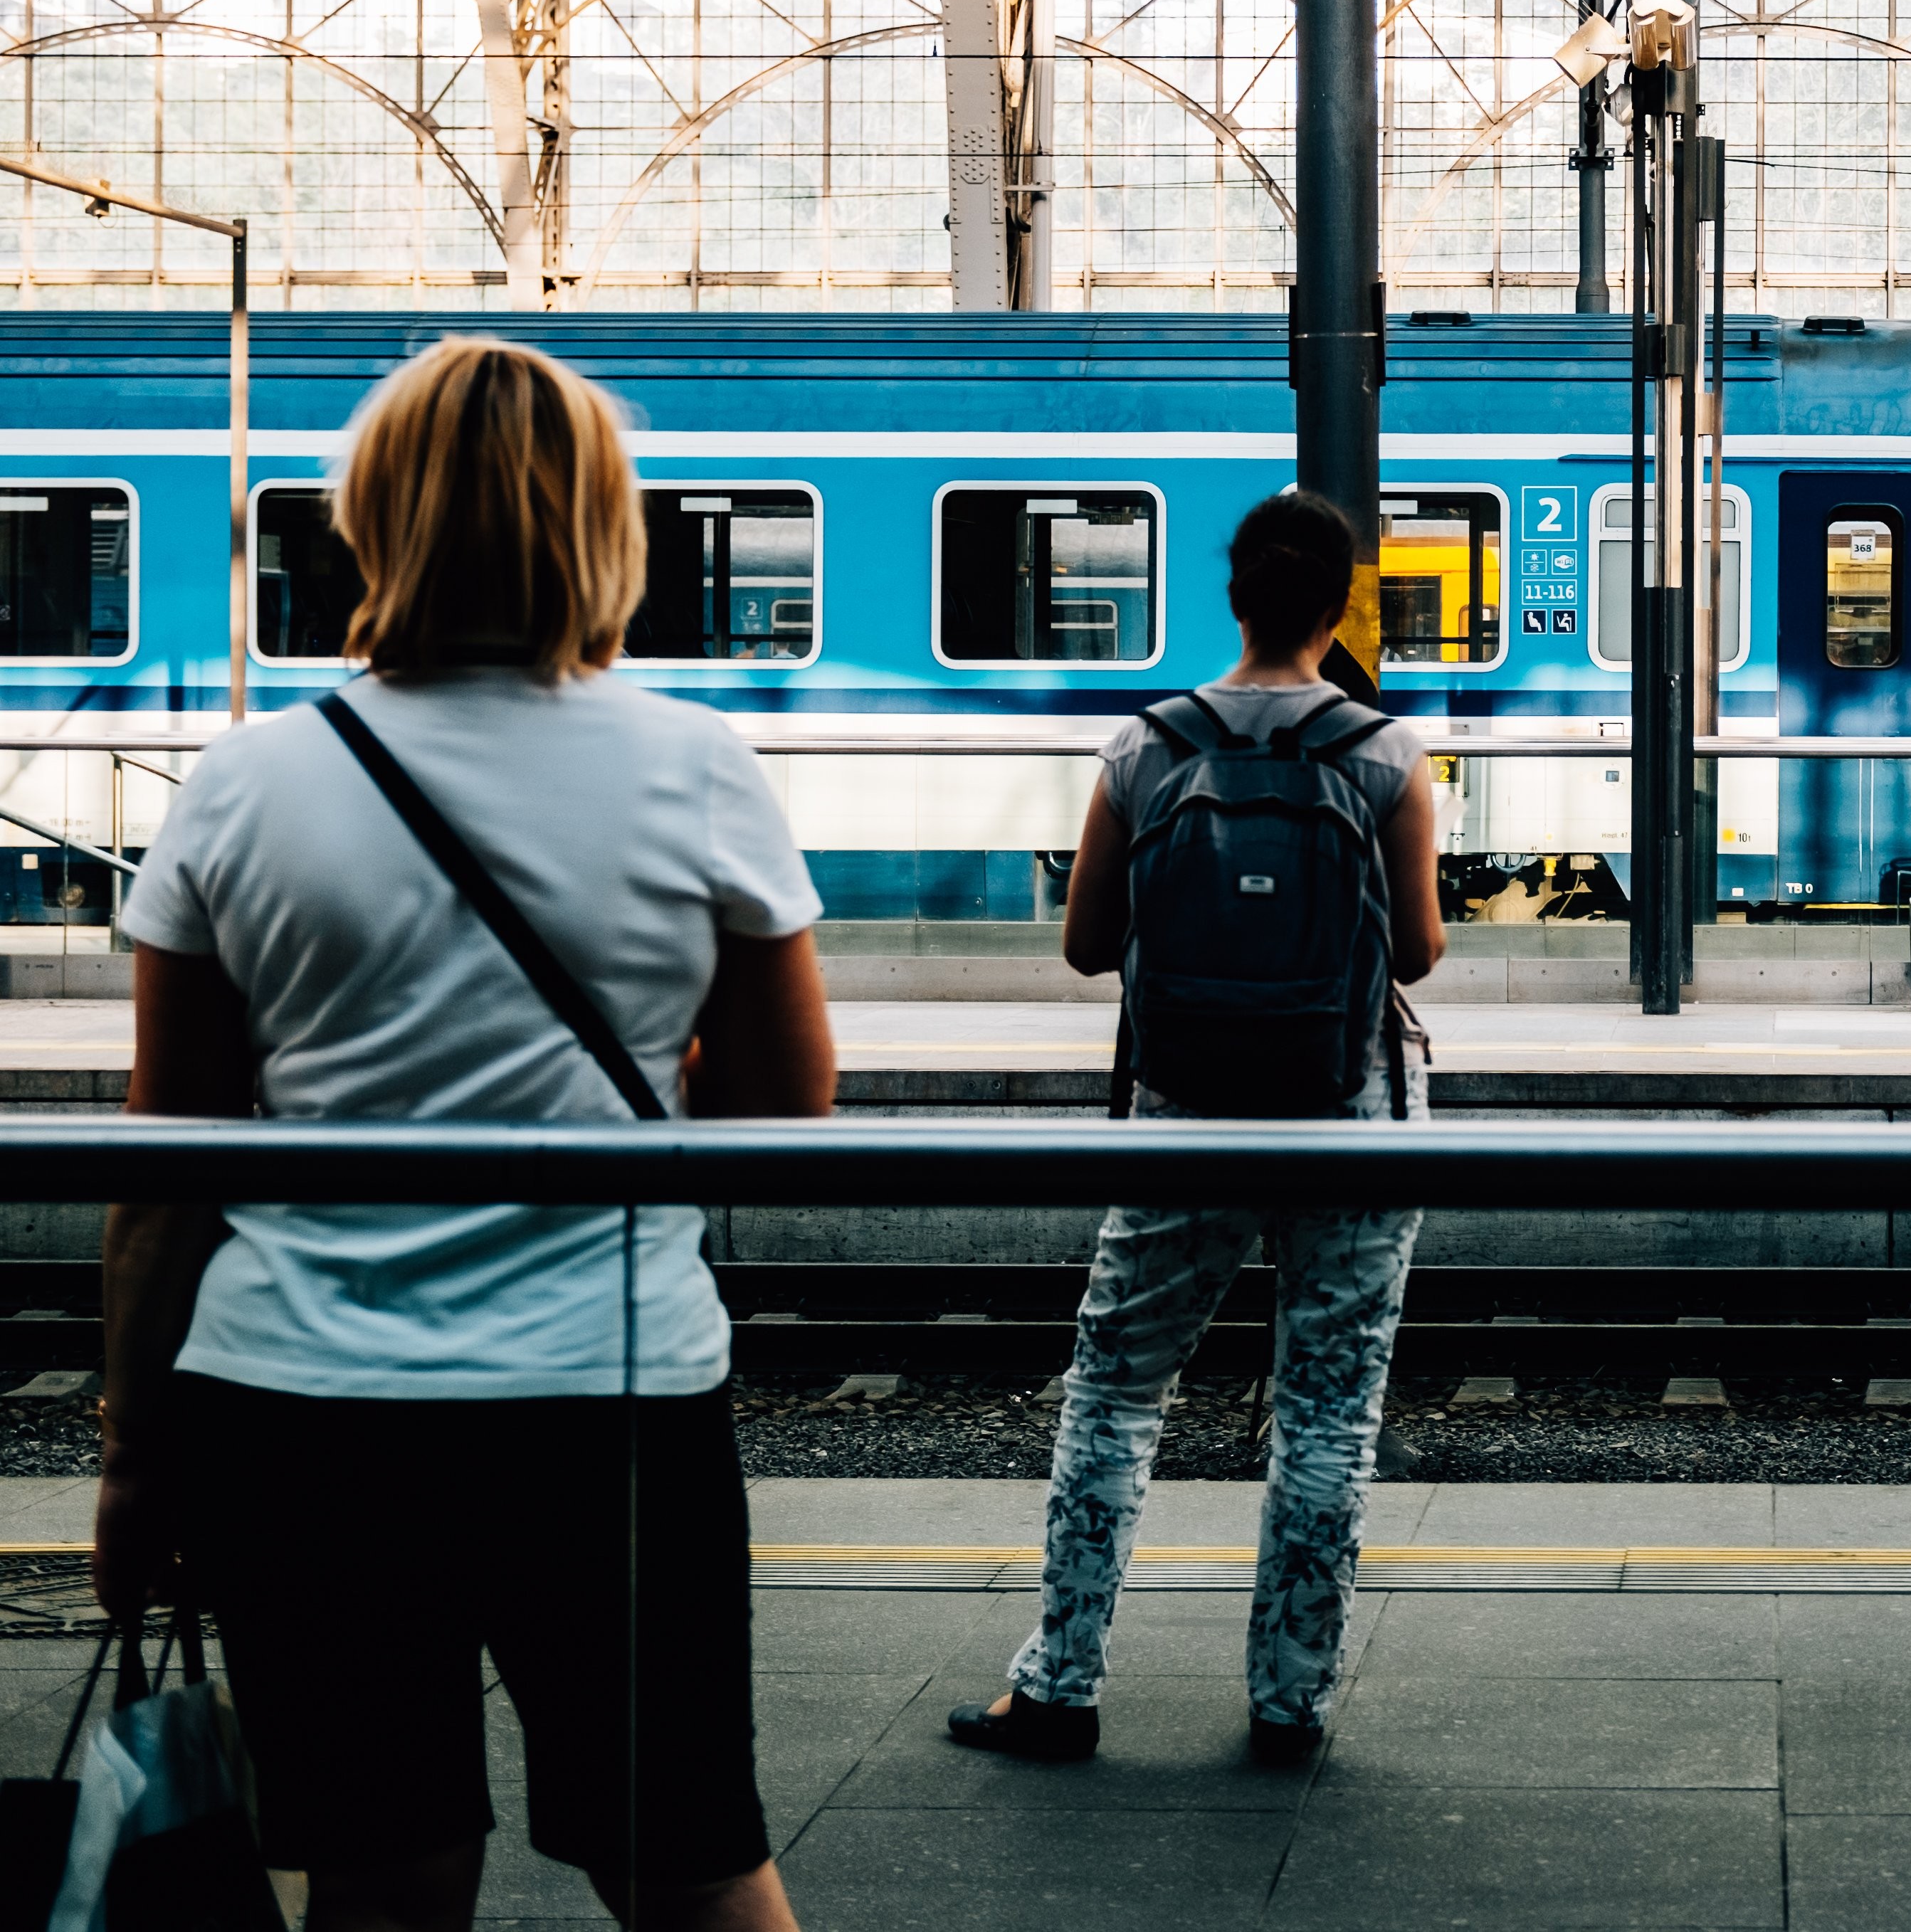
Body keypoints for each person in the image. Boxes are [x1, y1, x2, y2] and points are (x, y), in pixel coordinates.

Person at [95, 337, 835, 1932]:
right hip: (613, 1405)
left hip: (303, 1414)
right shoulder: (696, 768)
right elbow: (786, 1117)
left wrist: (138, 1459)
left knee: (383, 1878)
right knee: (691, 1865)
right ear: (601, 523)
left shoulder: (243, 782)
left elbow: (175, 1172)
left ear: (367, 523)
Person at [948, 490, 1446, 1768]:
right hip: (1352, 1114)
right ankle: (1288, 1706)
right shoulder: (1386, 756)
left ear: (1231, 595)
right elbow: (1424, 953)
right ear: (1342, 610)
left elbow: (1085, 949)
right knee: (1332, 1410)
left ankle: (1058, 1685)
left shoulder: (1145, 748)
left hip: (1183, 1117)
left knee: (1114, 1391)